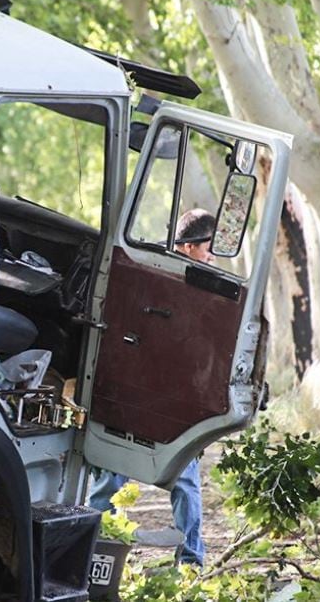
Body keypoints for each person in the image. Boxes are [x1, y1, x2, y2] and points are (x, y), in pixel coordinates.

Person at [87, 208, 217, 567]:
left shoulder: (204, 286)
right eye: (208, 246)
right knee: (111, 481)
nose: (211, 254)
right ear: (190, 247)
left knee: (184, 483)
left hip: (172, 401)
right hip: (139, 396)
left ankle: (189, 561)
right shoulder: (160, 274)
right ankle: (91, 552)